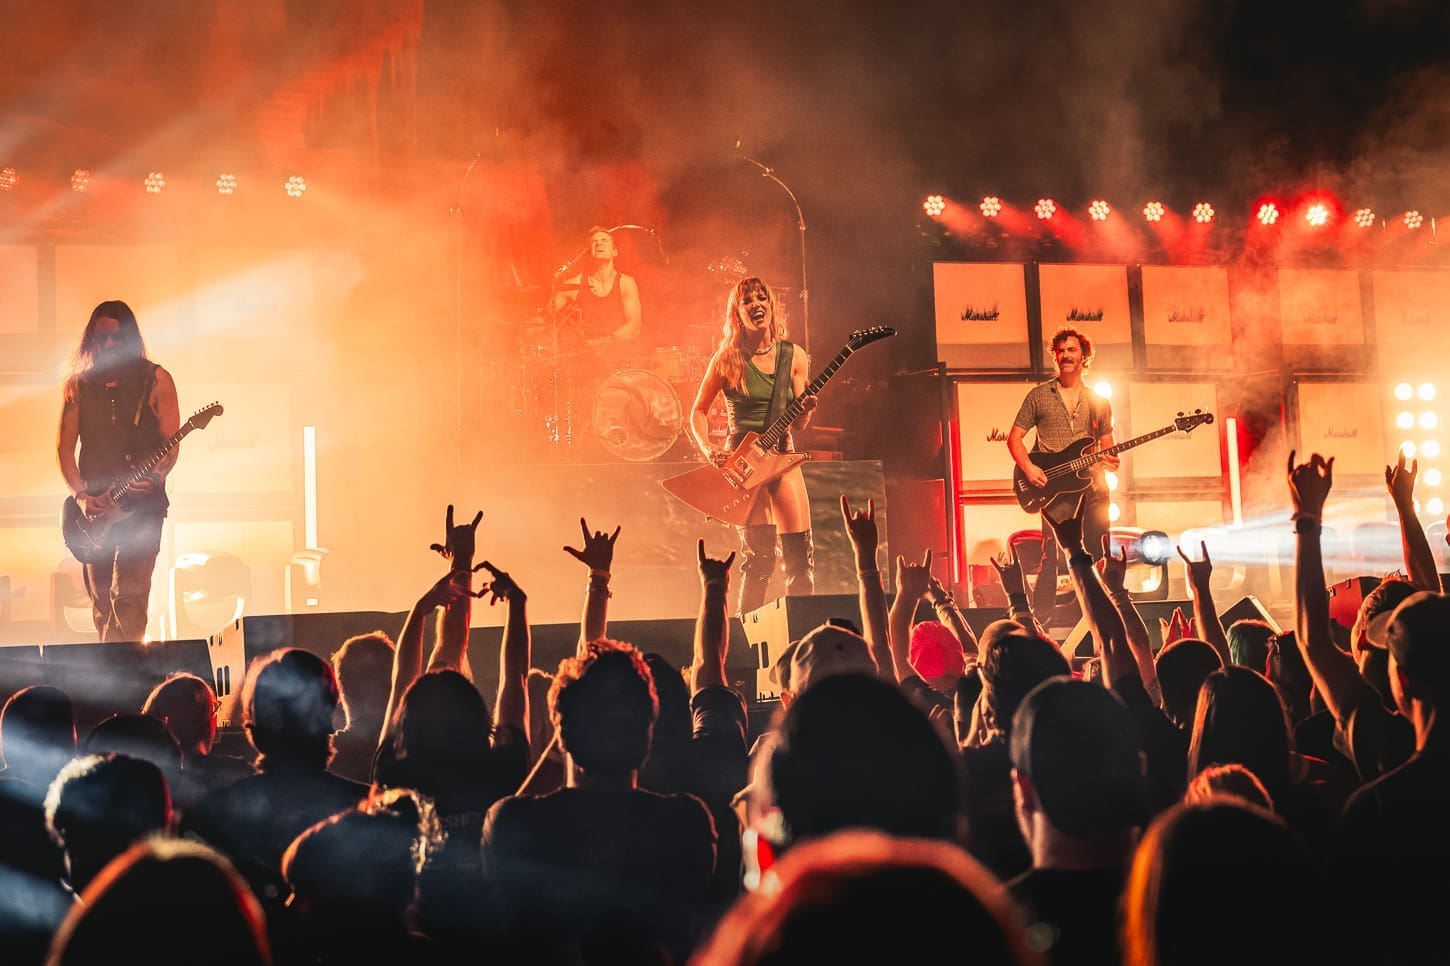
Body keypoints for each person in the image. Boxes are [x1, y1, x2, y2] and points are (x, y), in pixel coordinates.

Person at [688, 276, 818, 614]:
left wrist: (805, 410)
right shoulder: (726, 359)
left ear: (772, 307)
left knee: (799, 561)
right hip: (743, 462)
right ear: (737, 313)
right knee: (759, 560)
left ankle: (802, 635)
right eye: (747, 300)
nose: (756, 304)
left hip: (783, 454)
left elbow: (799, 424)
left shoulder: (794, 356)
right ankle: (744, 638)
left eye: (762, 298)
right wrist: (709, 448)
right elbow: (698, 411)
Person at [56, 300, 180, 643]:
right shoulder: (79, 387)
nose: (108, 345)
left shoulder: (156, 380)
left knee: (129, 598)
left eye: (116, 338)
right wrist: (82, 496)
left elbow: (171, 445)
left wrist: (155, 477)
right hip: (96, 510)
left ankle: (128, 671)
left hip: (143, 510)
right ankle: (112, 669)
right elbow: (65, 449)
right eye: (101, 338)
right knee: (102, 606)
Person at [1006, 326, 1117, 560]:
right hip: (1055, 489)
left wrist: (1111, 459)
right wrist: (1028, 468)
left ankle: (1099, 584)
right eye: (1061, 350)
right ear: (1055, 356)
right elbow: (1014, 438)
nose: (1066, 355)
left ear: (1084, 356)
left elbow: (1107, 442)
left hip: (1092, 487)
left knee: (1099, 552)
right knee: (1054, 558)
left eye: (1072, 350)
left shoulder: (1098, 401)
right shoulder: (1039, 396)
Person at [550, 226, 643, 345]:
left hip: (618, 352)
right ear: (589, 253)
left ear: (614, 252)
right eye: (594, 242)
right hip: (584, 353)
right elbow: (546, 317)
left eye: (604, 240)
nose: (598, 243)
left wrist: (604, 342)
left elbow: (634, 325)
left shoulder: (626, 283)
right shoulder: (573, 285)